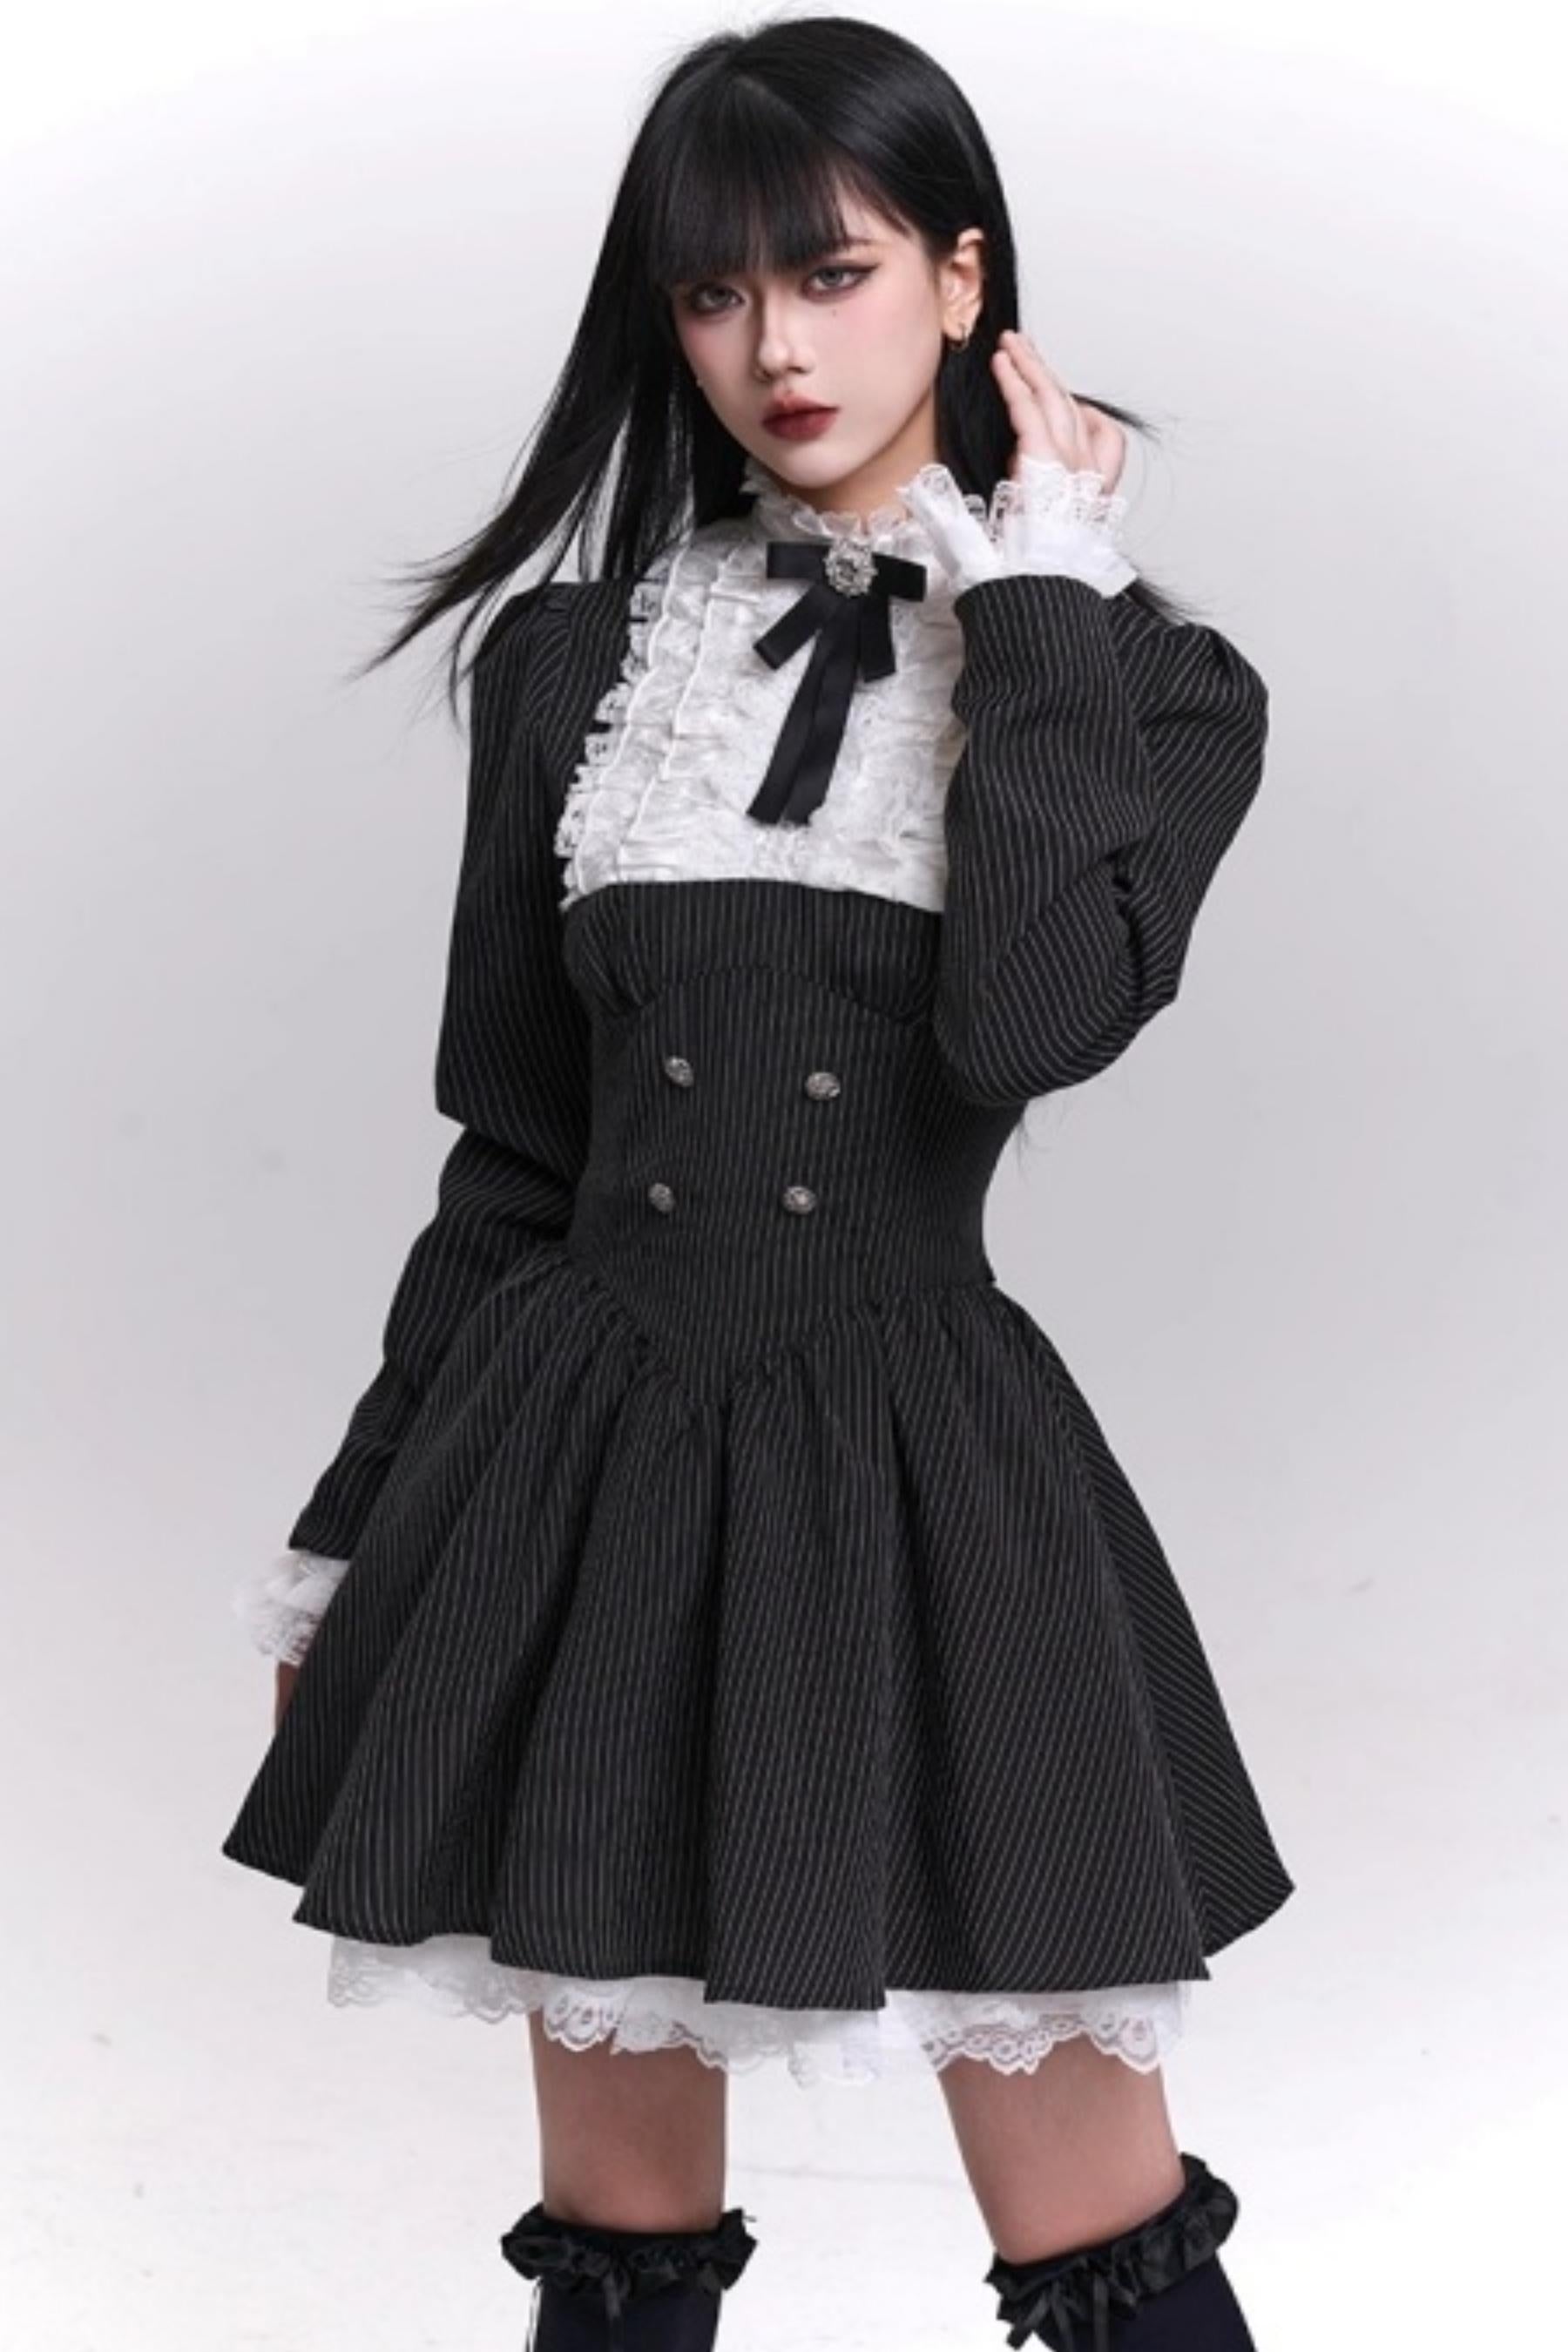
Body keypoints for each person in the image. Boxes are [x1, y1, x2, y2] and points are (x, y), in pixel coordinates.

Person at [221, 16, 1294, 2349]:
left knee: (1101, 2228)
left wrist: (1034, 596)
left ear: (962, 276)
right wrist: (350, 1538)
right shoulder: (577, 664)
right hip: (579, 1473)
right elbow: (515, 1153)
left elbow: (1027, 1028)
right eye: (714, 293)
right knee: (619, 2238)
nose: (775, 347)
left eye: (831, 271)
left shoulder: (1147, 687)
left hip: (926, 1475)